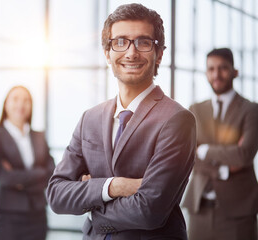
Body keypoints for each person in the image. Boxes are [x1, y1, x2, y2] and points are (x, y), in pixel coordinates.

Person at [47, 3, 196, 240]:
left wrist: (91, 209)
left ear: (159, 53)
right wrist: (113, 186)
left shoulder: (177, 120)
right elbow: (56, 195)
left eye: (143, 42)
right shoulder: (90, 118)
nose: (131, 52)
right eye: (120, 42)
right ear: (107, 53)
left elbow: (149, 211)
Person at [182, 48, 258, 240]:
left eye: (223, 68)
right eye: (211, 69)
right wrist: (223, 169)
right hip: (199, 209)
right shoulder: (195, 110)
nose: (216, 74)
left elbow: (244, 155)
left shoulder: (251, 110)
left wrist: (205, 150)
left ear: (235, 72)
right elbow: (187, 156)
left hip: (238, 212)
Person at [0, 86, 55, 240]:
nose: (21, 104)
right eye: (15, 99)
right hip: (10, 217)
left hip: (38, 215)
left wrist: (22, 180)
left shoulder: (39, 136)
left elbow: (52, 173)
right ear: (5, 104)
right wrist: (40, 173)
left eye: (26, 100)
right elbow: (6, 177)